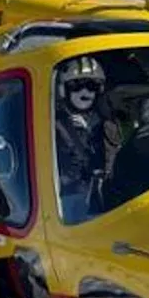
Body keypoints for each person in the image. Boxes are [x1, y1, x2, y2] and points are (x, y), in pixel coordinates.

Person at [53, 56, 110, 221]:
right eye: (77, 85)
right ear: (64, 89)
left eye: (92, 86)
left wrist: (89, 131)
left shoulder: (101, 123)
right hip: (65, 196)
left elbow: (106, 158)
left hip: (94, 196)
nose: (85, 91)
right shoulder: (53, 121)